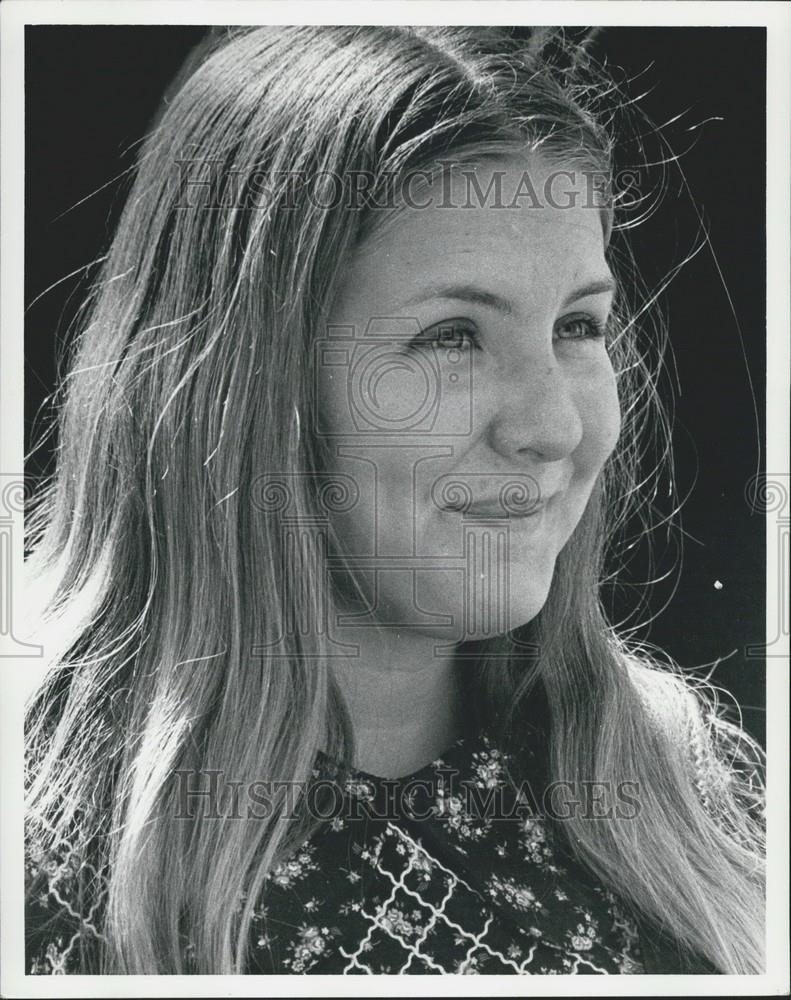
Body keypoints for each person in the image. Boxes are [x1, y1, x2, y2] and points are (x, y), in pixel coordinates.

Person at [23, 25, 765, 976]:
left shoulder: (682, 797)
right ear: (242, 384)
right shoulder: (49, 848)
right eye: (451, 337)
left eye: (578, 326)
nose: (552, 426)